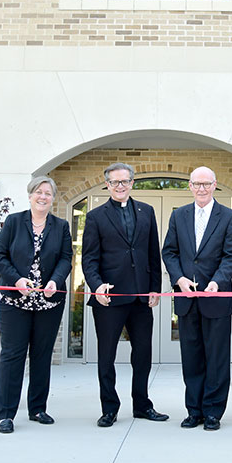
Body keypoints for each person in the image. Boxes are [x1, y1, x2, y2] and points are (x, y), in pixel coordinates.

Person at [82, 162, 168, 427]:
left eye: (125, 181)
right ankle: (109, 408)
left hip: (142, 297)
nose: (120, 186)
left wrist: (155, 287)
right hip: (109, 297)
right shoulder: (95, 216)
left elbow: (154, 254)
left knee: (143, 354)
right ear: (107, 184)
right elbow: (88, 258)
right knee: (106, 356)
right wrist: (96, 287)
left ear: (132, 183)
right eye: (115, 182)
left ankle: (142, 405)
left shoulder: (147, 212)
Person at [161, 166, 232, 431]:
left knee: (216, 358)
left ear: (215, 185)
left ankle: (213, 412)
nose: (202, 189)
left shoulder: (229, 217)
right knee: (192, 357)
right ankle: (193, 410)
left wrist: (217, 281)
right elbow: (169, 252)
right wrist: (179, 279)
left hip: (215, 298)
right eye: (197, 184)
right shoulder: (179, 216)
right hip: (186, 299)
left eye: (206, 184)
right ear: (190, 186)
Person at [0, 175, 72, 434]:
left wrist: (55, 281)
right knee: (12, 355)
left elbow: (65, 258)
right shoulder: (14, 222)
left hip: (48, 302)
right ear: (30, 195)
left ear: (52, 198)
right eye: (38, 192)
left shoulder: (60, 226)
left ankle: (37, 408)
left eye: (48, 193)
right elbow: (0, 255)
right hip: (15, 301)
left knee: (41, 355)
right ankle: (6, 414)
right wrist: (16, 280)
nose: (43, 197)